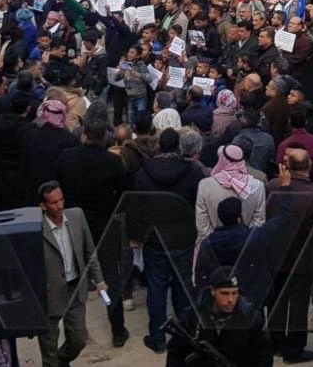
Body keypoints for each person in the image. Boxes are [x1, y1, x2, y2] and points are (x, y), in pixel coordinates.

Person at [54, 115, 130, 347]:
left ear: (85, 135)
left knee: (73, 278)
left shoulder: (66, 158)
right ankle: (117, 329)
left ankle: (75, 330)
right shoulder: (113, 162)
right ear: (105, 138)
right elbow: (123, 194)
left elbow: (58, 188)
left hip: (73, 227)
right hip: (104, 228)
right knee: (107, 279)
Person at [129, 128, 204, 354]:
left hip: (154, 240)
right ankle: (185, 336)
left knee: (157, 288)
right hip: (183, 240)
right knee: (183, 288)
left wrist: (135, 235)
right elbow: (197, 206)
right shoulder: (192, 173)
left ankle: (158, 337)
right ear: (179, 147)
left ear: (159, 146)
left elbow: (135, 208)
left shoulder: (143, 174)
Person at [265, 147, 313, 364]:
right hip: (302, 259)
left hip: (275, 256)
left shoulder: (273, 186)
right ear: (309, 166)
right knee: (298, 305)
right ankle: (294, 350)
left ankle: (275, 343)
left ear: (287, 166)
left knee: (276, 302)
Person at [38, 181, 104, 367]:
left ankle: (60, 361)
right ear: (43, 206)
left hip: (75, 289)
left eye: (61, 200)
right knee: (48, 346)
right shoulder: (36, 227)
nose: (60, 206)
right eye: (53, 202)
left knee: (79, 339)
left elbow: (89, 252)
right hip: (49, 296)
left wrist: (99, 280)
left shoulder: (76, 216)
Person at [166, 266, 275, 367]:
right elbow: (175, 352)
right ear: (213, 291)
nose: (230, 300)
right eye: (224, 293)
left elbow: (264, 356)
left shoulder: (252, 319)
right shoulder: (193, 315)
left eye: (234, 293)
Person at [195, 144, 266, 239]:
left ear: (221, 159)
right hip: (244, 248)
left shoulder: (205, 185)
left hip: (212, 247)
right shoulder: (258, 186)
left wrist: (214, 242)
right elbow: (258, 222)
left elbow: (202, 222)